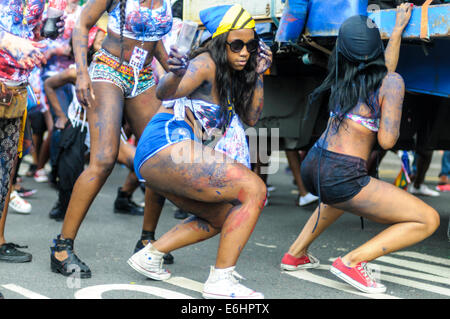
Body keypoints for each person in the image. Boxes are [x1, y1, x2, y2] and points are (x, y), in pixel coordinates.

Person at [280, 4, 440, 294]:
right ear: (374, 49)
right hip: (342, 175)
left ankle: (295, 254)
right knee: (428, 219)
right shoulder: (390, 83)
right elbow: (387, 142)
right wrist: (392, 108)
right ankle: (352, 262)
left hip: (315, 165)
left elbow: (384, 71)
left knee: (338, 198)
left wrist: (397, 33)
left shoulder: (344, 75)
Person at [128, 4, 272, 299]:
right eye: (237, 45)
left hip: (168, 154)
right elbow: (165, 93)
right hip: (165, 144)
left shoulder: (234, 71)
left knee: (222, 216)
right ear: (221, 43)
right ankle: (221, 281)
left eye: (251, 45)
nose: (245, 52)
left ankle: (150, 255)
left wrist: (259, 74)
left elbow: (252, 118)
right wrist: (175, 73)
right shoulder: (205, 63)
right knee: (254, 189)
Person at [50, 0, 173, 279]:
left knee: (159, 158)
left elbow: (156, 43)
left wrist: (176, 66)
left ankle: (147, 243)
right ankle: (61, 247)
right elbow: (82, 23)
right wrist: (82, 72)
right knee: (103, 160)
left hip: (142, 76)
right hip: (109, 69)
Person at [0, 0, 65, 301]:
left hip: (16, 89)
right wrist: (7, 40)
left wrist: (43, 33)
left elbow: (28, 32)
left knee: (4, 174)